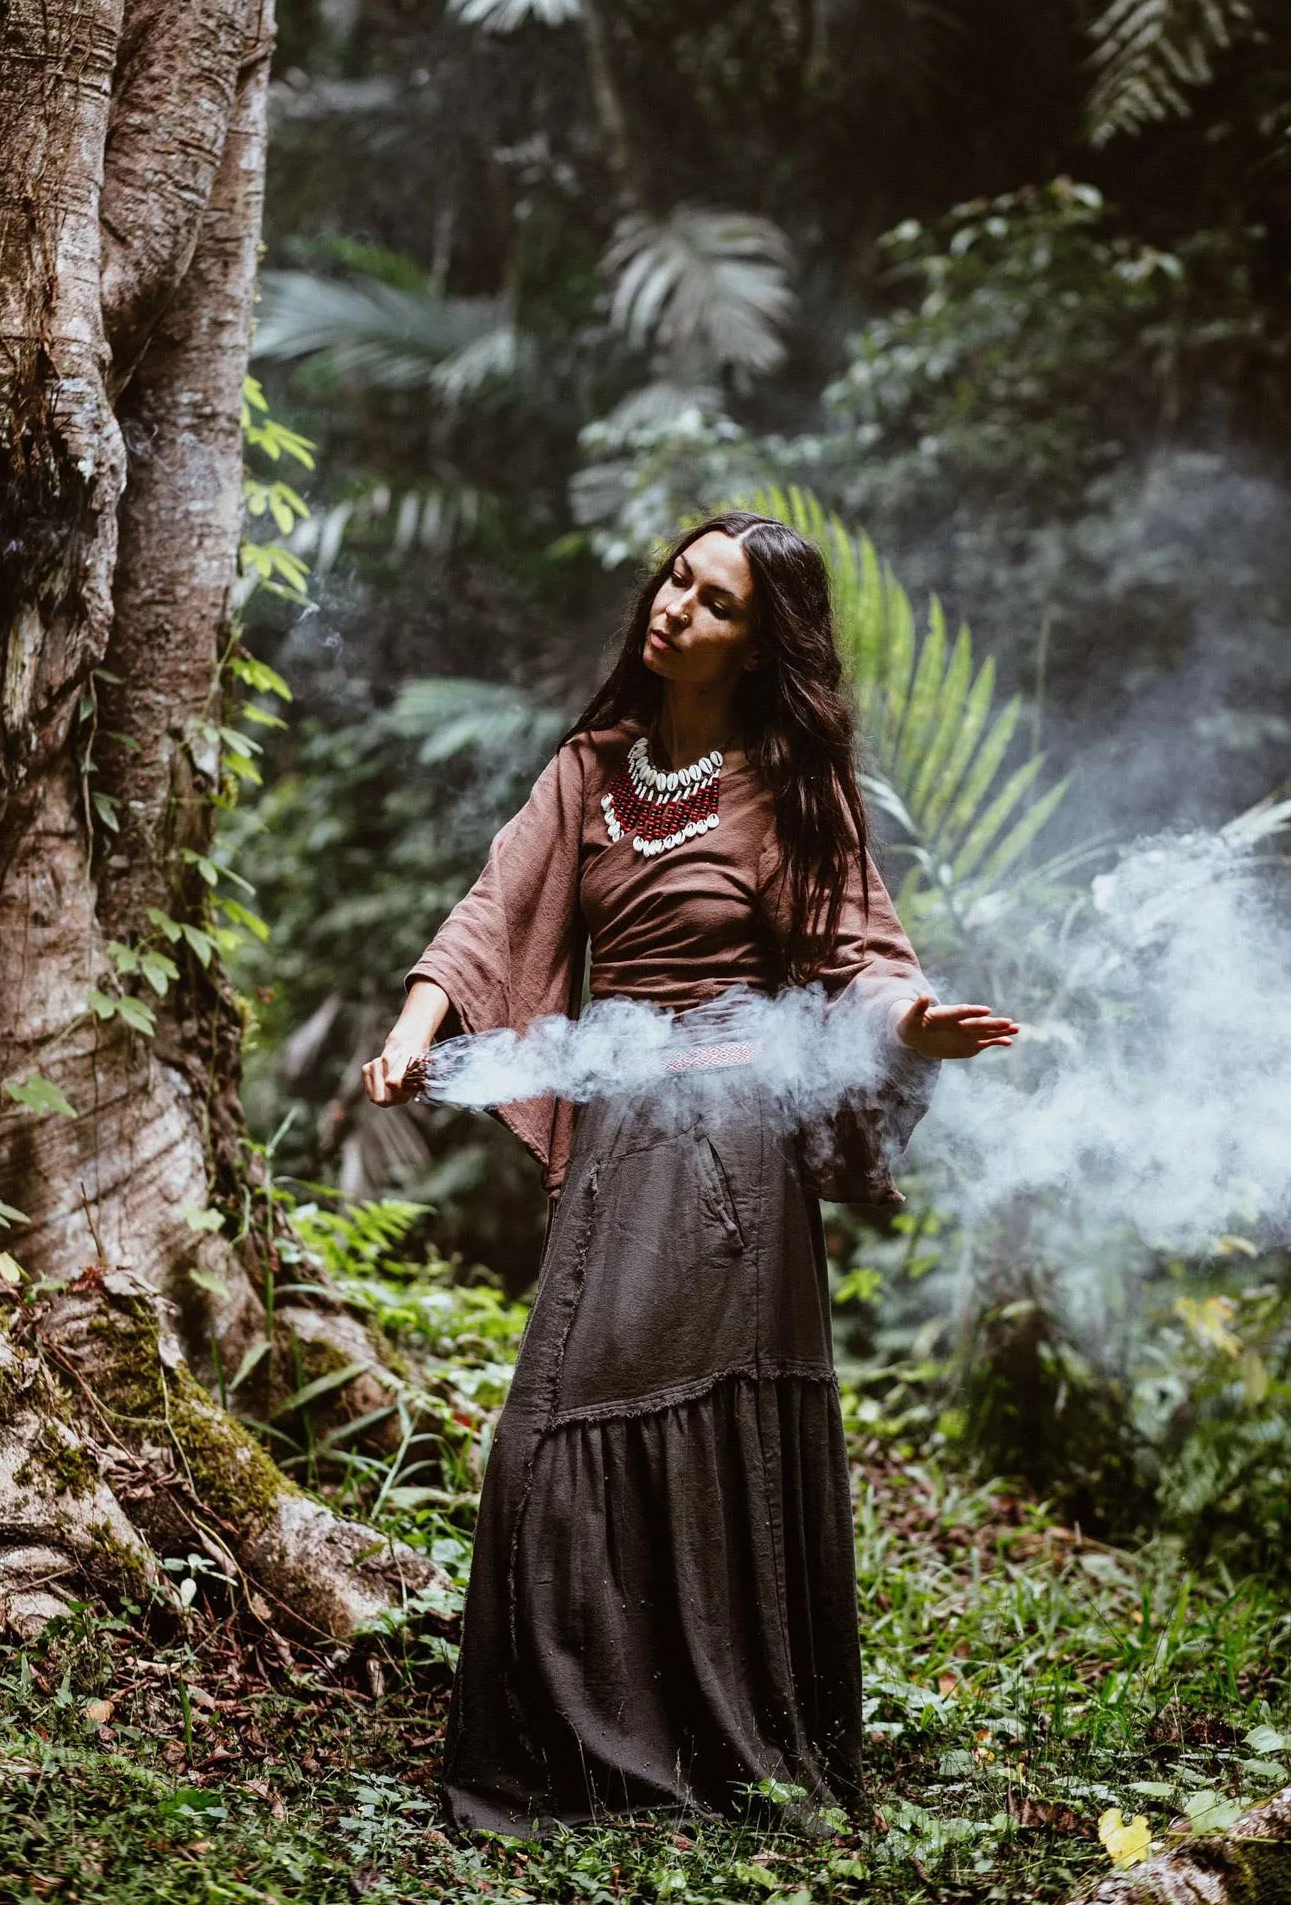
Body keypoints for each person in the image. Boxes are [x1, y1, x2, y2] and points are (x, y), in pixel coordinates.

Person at [363, 511, 1016, 1836]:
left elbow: (860, 950)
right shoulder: (592, 768)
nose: (677, 608)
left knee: (640, 1422)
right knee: (546, 1438)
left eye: (715, 602)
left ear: (756, 640)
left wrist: (913, 1024)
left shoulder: (787, 781)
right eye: (678, 579)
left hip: (728, 1154)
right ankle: (573, 1757)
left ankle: (693, 1756)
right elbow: (498, 906)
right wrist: (415, 1025)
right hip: (617, 1150)